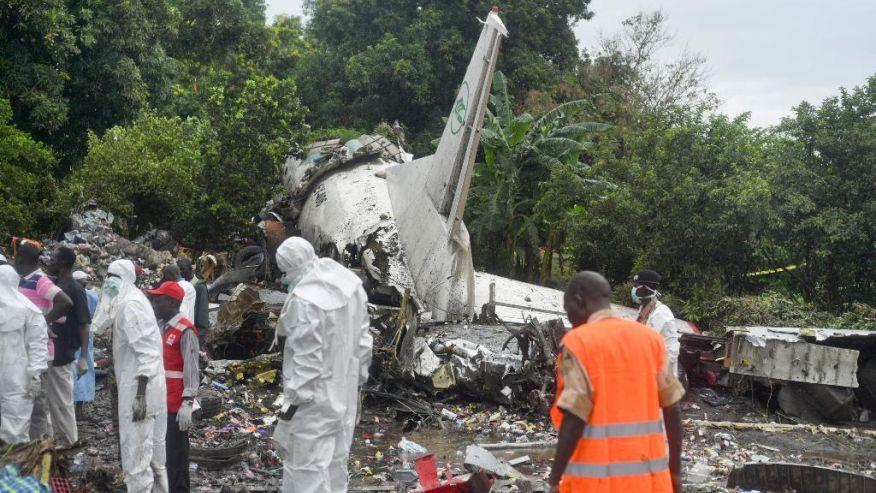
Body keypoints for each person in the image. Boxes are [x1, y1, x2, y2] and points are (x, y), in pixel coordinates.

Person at [548, 271, 684, 493]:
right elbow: (673, 410)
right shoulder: (651, 340)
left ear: (578, 301)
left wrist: (554, 479)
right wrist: (675, 474)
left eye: (568, 310)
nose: (570, 319)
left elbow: (574, 417)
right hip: (651, 484)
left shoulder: (578, 343)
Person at [272, 237, 373, 493]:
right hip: (345, 395)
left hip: (312, 405)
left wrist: (287, 416)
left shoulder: (305, 301)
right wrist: (357, 388)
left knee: (305, 473)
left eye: (284, 273)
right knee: (336, 467)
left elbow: (306, 366)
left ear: (291, 268)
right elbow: (364, 346)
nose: (284, 280)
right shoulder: (350, 287)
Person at [92, 259, 168, 493]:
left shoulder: (131, 306)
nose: (110, 283)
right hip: (143, 387)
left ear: (124, 280)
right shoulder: (127, 300)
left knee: (136, 455)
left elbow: (148, 354)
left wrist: (140, 396)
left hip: (140, 389)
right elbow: (101, 322)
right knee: (153, 455)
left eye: (115, 278)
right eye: (109, 277)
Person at [14, 241, 73, 440]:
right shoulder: (22, 281)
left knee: (38, 406)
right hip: (26, 351)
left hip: (40, 352)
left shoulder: (40, 280)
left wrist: (40, 322)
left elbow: (65, 302)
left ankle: (40, 449)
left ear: (20, 259)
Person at [145, 281, 200, 493]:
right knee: (161, 451)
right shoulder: (160, 326)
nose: (155, 303)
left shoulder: (185, 330)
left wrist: (188, 402)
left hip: (175, 403)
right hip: (159, 399)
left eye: (158, 300)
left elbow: (192, 369)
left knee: (176, 454)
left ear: (171, 302)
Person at [42, 246, 90, 447]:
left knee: (63, 404)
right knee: (47, 405)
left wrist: (84, 358)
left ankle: (71, 445)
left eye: (53, 259)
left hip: (63, 354)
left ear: (62, 264)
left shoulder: (75, 290)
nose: (49, 262)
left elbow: (84, 324)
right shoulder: (53, 284)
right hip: (48, 353)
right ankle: (54, 446)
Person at [0, 265, 49, 444]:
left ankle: (12, 468)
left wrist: (36, 375)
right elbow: (38, 346)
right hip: (17, 379)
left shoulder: (29, 310)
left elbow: (37, 345)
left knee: (15, 429)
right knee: (15, 426)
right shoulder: (31, 310)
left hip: (18, 378)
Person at [631, 270, 680, 376]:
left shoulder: (660, 314)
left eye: (636, 285)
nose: (633, 289)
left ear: (646, 288)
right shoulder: (644, 310)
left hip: (661, 376)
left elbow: (646, 345)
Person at [72, 271, 99, 409]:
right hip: (86, 334)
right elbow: (95, 315)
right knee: (84, 366)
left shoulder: (70, 294)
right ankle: (79, 408)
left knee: (74, 368)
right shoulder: (92, 296)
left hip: (74, 334)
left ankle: (74, 405)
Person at [176, 258, 208, 336]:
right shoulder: (180, 285)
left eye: (183, 269)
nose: (180, 272)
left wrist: (198, 335)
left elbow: (202, 314)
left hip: (191, 332)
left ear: (191, 269)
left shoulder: (200, 287)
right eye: (179, 270)